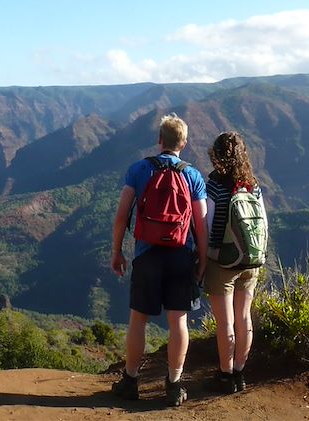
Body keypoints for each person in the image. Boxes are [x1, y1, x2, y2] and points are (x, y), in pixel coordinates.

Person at [110, 113, 209, 407]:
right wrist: (201, 262)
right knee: (178, 320)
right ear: (184, 143)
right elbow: (201, 225)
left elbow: (121, 215)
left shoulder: (138, 170)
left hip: (147, 255)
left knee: (138, 320)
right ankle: (174, 385)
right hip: (181, 257)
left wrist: (117, 251)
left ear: (160, 140)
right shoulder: (192, 176)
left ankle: (130, 381)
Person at [203, 131, 266, 394]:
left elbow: (209, 225)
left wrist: (206, 255)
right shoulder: (252, 185)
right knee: (244, 317)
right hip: (251, 261)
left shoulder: (215, 186)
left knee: (226, 322)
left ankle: (225, 375)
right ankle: (240, 372)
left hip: (223, 261)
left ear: (216, 156)